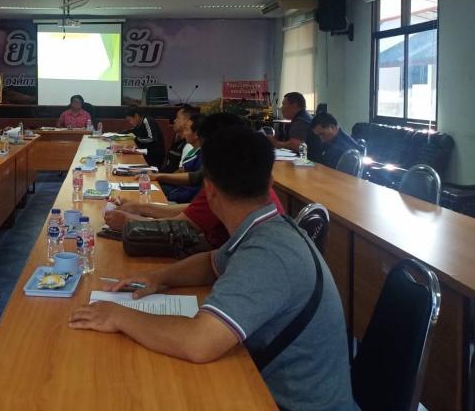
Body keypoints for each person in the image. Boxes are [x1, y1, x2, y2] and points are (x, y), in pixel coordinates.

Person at [70, 127, 355, 410]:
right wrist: (157, 277)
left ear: (209, 190)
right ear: (269, 182)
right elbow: (210, 263)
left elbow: (199, 342)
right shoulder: (268, 227)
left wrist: (118, 315)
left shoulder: (268, 253)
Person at [105, 113, 285, 247]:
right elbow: (192, 213)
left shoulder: (227, 184)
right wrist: (139, 207)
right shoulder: (246, 177)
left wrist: (129, 221)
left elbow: (183, 226)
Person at [159, 111, 203, 203]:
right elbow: (182, 170)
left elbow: (190, 190)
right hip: (178, 194)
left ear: (196, 134)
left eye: (186, 130)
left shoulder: (201, 156)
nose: (184, 133)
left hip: (182, 199)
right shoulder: (192, 150)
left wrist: (159, 177)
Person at [160, 106, 196, 174]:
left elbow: (181, 173)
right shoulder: (177, 139)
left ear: (187, 121)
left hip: (168, 180)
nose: (174, 120)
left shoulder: (189, 145)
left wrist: (159, 177)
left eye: (177, 118)